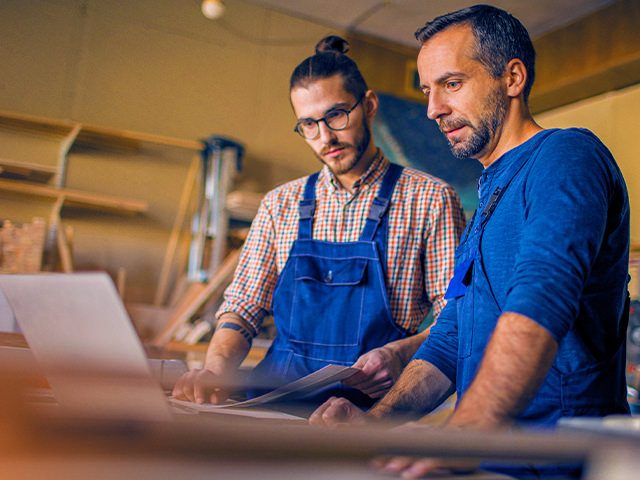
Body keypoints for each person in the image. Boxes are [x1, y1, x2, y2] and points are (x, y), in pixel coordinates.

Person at [309, 5, 630, 478]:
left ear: (513, 78)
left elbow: (542, 300)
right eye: (427, 90)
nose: (433, 109)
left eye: (452, 84)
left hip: (556, 463)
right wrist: (373, 424)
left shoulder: (565, 156)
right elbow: (451, 337)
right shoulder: (489, 197)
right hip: (488, 459)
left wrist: (462, 432)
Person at [172, 35, 465, 410]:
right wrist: (214, 370)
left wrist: (398, 353)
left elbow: (455, 319)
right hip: (271, 402)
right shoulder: (281, 204)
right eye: (308, 125)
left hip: (370, 413)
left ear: (369, 105)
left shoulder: (429, 199)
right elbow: (244, 307)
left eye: (336, 115)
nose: (325, 137)